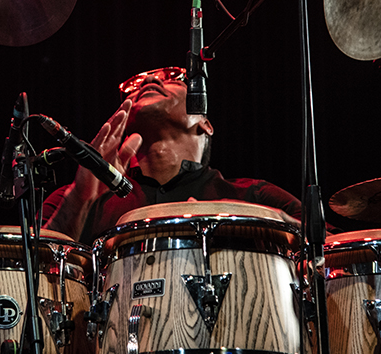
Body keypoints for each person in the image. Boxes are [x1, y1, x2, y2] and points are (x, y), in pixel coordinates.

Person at [42, 66, 302, 244]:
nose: (150, 82)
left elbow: (326, 246)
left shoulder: (255, 196)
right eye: (139, 85)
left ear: (205, 123)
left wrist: (237, 216)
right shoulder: (73, 200)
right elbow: (27, 272)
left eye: (172, 80)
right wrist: (79, 199)